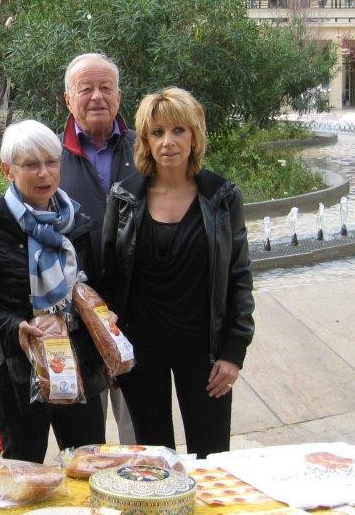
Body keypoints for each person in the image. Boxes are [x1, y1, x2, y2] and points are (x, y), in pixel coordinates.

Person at [102, 87, 254, 459]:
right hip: (141, 352)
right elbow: (108, 279)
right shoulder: (124, 198)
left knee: (212, 459)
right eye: (157, 132)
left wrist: (234, 352)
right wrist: (109, 351)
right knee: (154, 462)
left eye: (178, 130)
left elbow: (239, 277)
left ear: (194, 136)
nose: (168, 141)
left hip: (204, 349)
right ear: (145, 140)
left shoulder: (221, 197)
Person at [0, 120, 107, 463]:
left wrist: (100, 313)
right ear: (8, 170)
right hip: (18, 372)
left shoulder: (75, 221)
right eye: (31, 165)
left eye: (51, 162)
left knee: (88, 464)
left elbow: (93, 283)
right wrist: (14, 325)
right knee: (25, 473)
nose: (44, 173)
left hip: (76, 363)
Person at [58, 52, 137, 444]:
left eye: (106, 87)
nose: (96, 96)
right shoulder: (50, 157)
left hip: (137, 318)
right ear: (68, 99)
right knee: (85, 446)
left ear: (118, 96)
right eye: (85, 88)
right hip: (76, 323)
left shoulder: (145, 150)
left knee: (141, 440)